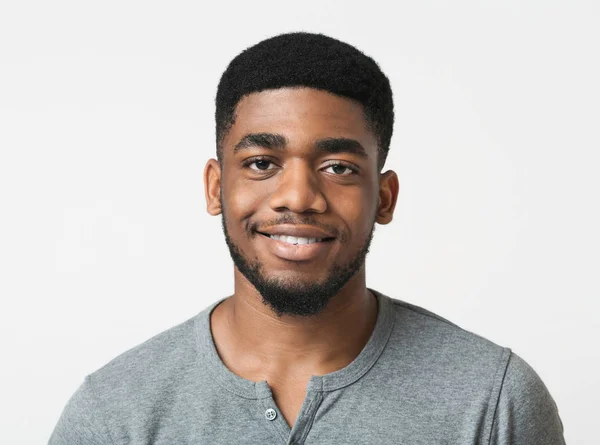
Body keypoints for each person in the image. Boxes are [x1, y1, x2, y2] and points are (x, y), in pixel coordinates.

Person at [48, 32, 566, 444]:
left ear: (384, 197)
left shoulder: (493, 402)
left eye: (338, 166)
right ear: (215, 187)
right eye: (261, 163)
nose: (298, 196)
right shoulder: (115, 413)